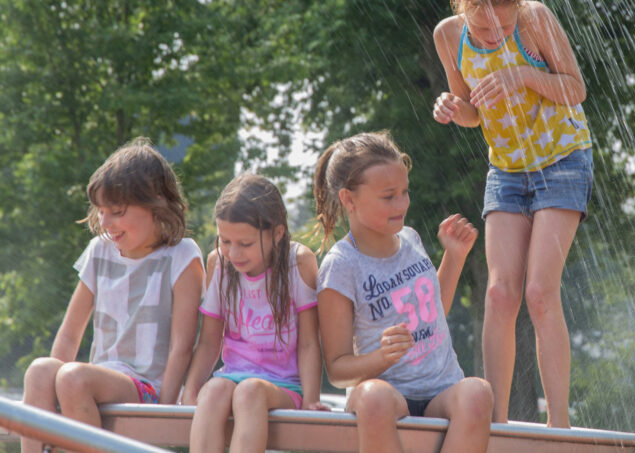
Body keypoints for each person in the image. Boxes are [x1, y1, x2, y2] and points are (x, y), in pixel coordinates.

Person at [431, 0, 594, 428]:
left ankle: (558, 426)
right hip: (506, 169)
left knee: (540, 293)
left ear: (518, 4)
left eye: (504, 23)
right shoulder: (448, 35)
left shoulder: (535, 19)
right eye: (483, 26)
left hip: (563, 160)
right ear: (464, 6)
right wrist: (451, 108)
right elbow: (473, 114)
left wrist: (521, 74)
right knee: (500, 294)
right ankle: (494, 422)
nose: (495, 34)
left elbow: (576, 89)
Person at [20, 138, 204, 453]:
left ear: (156, 204)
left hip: (146, 388)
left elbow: (183, 346)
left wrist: (165, 408)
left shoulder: (182, 256)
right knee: (40, 369)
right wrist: (52, 389)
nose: (105, 223)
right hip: (95, 381)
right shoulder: (100, 251)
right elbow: (69, 334)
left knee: (73, 377)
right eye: (101, 211)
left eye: (116, 212)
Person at [314, 131, 493, 453]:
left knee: (478, 392)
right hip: (386, 397)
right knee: (374, 397)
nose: (402, 204)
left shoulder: (410, 238)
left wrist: (454, 257)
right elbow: (338, 370)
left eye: (404, 192)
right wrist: (380, 358)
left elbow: (434, 313)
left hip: (442, 390)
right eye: (388, 196)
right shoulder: (340, 265)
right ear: (348, 199)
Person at [183, 173, 327, 452]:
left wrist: (311, 401)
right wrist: (190, 392)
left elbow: (310, 342)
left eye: (245, 244)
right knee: (211, 392)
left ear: (277, 233)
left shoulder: (298, 262)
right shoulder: (219, 264)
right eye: (225, 241)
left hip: (284, 386)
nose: (233, 253)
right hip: (232, 375)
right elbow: (209, 340)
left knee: (249, 392)